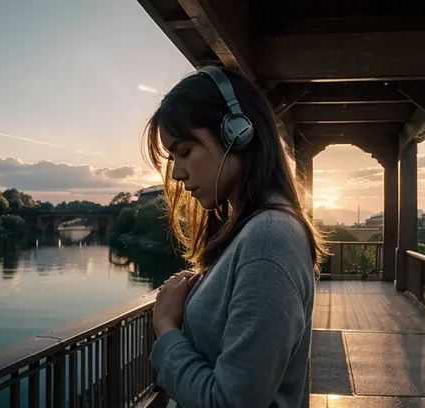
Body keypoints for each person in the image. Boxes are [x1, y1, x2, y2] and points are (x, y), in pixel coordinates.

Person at [144, 66, 329, 408]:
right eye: (173, 158)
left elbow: (228, 402)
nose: (177, 173)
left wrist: (166, 327)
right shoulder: (253, 232)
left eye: (184, 152)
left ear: (237, 133)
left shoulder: (268, 239)